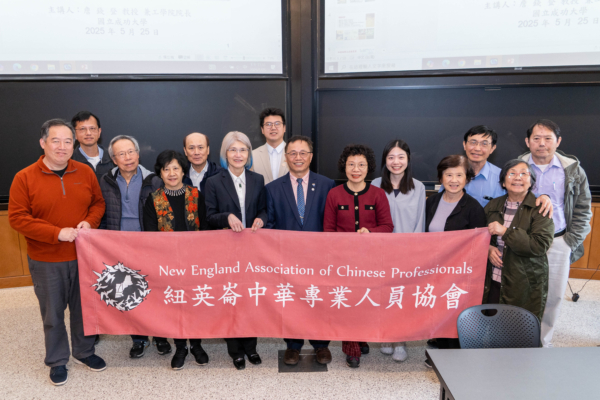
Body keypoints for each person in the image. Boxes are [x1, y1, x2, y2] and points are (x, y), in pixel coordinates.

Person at [8, 119, 107, 386]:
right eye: (55, 141)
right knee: (52, 314)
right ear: (43, 143)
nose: (62, 147)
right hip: (46, 259)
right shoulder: (24, 177)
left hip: (84, 257)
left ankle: (84, 352)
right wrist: (56, 233)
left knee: (84, 309)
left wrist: (90, 222)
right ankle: (57, 360)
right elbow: (17, 218)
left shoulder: (85, 172)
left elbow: (98, 203)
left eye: (67, 141)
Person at [519, 119, 592, 347]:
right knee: (521, 292)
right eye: (536, 138)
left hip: (559, 240)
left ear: (558, 141)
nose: (542, 143)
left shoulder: (573, 170)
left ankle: (543, 342)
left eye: (548, 138)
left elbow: (583, 208)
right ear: (527, 142)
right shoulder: (516, 168)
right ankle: (518, 340)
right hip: (523, 241)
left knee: (553, 296)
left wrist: (571, 241)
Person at [265, 135, 336, 366]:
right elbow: (270, 224)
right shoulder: (273, 188)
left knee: (318, 298)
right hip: (287, 258)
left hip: (319, 256)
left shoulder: (327, 185)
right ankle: (293, 345)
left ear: (311, 157)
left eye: (303, 153)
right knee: (291, 301)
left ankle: (321, 344)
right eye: (293, 153)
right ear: (286, 157)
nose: (298, 157)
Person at [323, 144, 394, 368]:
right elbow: (328, 230)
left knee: (365, 301)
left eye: (361, 165)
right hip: (343, 261)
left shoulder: (378, 194)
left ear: (368, 167)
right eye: (351, 164)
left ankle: (361, 337)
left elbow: (388, 226)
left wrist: (370, 233)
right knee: (347, 302)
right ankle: (351, 348)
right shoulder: (334, 194)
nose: (356, 169)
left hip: (370, 260)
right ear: (344, 167)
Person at [99, 135, 169, 359]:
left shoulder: (154, 180)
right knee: (128, 292)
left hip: (149, 245)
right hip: (118, 247)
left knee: (155, 291)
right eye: (121, 154)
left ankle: (160, 336)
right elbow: (101, 214)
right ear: (114, 159)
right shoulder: (105, 181)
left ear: (138, 154)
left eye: (131, 152)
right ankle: (138, 338)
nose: (127, 157)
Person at [204, 131, 267, 370]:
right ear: (225, 154)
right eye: (233, 150)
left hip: (252, 250)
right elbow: (209, 216)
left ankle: (251, 348)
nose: (238, 155)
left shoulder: (258, 179)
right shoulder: (213, 182)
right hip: (226, 250)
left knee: (251, 298)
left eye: (242, 150)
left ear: (248, 154)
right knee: (230, 298)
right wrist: (227, 216)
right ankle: (236, 351)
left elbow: (264, 209)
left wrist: (261, 219)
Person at [143, 150, 210, 370]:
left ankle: (197, 346)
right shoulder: (153, 200)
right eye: (166, 169)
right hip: (168, 263)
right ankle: (180, 347)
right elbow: (150, 235)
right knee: (176, 305)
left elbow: (206, 228)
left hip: (195, 261)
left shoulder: (196, 195)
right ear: (160, 173)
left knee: (196, 303)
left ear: (183, 171)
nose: (171, 173)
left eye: (176, 168)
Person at [424, 155, 486, 362]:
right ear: (441, 177)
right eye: (448, 175)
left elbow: (478, 245)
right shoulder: (431, 202)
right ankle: (439, 349)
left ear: (467, 178)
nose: (453, 180)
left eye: (459, 175)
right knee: (436, 310)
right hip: (433, 270)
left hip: (459, 273)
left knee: (453, 312)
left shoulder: (474, 207)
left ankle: (452, 359)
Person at [371, 139, 425, 362]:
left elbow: (420, 222)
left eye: (401, 157)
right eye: (391, 157)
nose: (396, 162)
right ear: (385, 160)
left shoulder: (418, 187)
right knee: (383, 296)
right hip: (379, 252)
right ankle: (386, 336)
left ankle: (400, 341)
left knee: (401, 297)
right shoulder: (374, 184)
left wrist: (415, 253)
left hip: (406, 253)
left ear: (408, 159)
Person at [483, 160, 555, 320]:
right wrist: (488, 248)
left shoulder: (540, 208)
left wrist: (505, 232)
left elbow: (539, 245)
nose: (518, 177)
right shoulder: (492, 205)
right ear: (503, 182)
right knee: (491, 323)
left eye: (524, 173)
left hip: (523, 282)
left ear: (531, 182)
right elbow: (480, 236)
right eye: (512, 173)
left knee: (518, 327)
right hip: (494, 278)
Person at [440, 125, 553, 214]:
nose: (477, 148)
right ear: (464, 145)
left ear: (492, 148)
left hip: (487, 233)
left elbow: (522, 193)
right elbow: (441, 201)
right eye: (473, 142)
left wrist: (543, 196)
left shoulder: (502, 176)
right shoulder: (452, 174)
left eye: (484, 144)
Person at [71, 111, 114, 182]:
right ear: (74, 134)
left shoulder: (113, 158)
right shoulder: (70, 161)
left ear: (99, 132)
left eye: (92, 128)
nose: (88, 133)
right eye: (82, 129)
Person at [251, 107, 289, 184]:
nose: (273, 128)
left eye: (277, 124)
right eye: (268, 124)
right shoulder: (252, 155)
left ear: (284, 128)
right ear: (262, 129)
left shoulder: (294, 154)